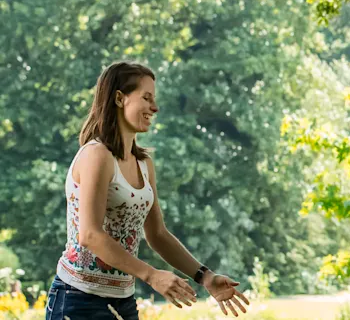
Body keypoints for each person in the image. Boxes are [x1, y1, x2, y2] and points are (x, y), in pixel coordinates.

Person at [45, 61, 250, 320]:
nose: (155, 107)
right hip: (78, 299)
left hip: (123, 300)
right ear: (119, 98)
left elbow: (158, 234)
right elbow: (90, 235)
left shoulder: (143, 164)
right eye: (146, 98)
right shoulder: (97, 155)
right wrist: (152, 275)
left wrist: (205, 276)